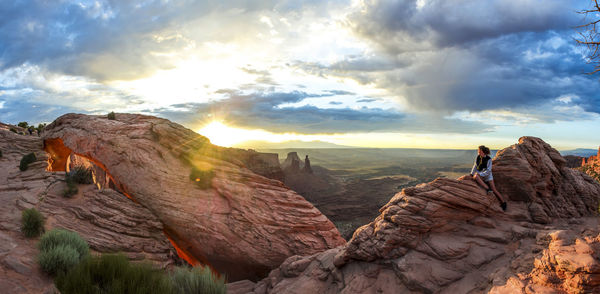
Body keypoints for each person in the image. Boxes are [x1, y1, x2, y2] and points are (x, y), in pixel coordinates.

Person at [470, 145, 507, 211]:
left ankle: (503, 203)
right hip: (480, 174)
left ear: (484, 152)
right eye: (478, 151)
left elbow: (488, 170)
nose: (478, 153)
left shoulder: (489, 159)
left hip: (487, 175)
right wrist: (471, 174)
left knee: (494, 189)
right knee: (475, 176)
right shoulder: (478, 157)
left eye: (479, 151)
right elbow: (475, 166)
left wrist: (481, 174)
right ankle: (487, 188)